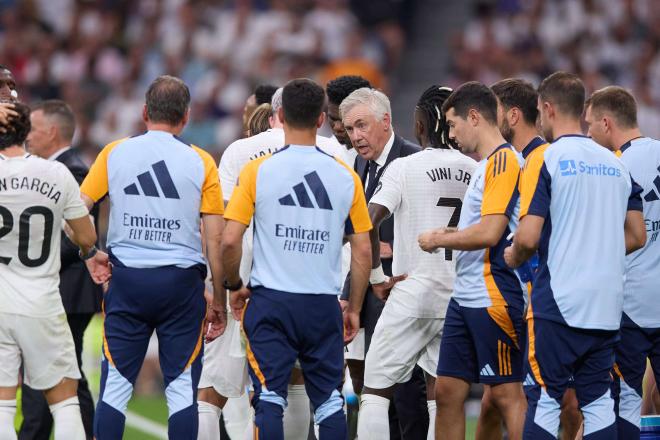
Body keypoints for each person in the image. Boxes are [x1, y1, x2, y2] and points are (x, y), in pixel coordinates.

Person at [221, 78, 372, 440]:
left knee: (270, 397)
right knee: (330, 401)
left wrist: (234, 286)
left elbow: (229, 241)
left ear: (280, 116)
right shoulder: (345, 175)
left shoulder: (258, 172)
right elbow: (363, 250)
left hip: (271, 301)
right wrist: (352, 307)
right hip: (321, 304)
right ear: (321, 119)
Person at [79, 75, 226, 440]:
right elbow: (215, 237)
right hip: (181, 284)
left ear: (144, 112)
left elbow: (77, 211)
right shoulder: (202, 161)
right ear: (186, 117)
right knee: (179, 392)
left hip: (127, 280)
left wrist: (90, 253)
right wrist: (217, 296)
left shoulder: (114, 152)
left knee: (114, 388)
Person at [504, 72, 646, 439]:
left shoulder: (548, 159)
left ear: (547, 109)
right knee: (598, 403)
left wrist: (513, 255)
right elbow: (637, 235)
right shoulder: (616, 164)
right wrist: (601, 249)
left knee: (547, 399)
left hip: (559, 304)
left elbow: (530, 236)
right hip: (606, 305)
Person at [357, 85, 477, 440]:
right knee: (441, 396)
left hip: (413, 292)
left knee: (375, 392)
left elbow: (368, 221)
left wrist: (378, 276)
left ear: (421, 127)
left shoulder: (403, 167)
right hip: (459, 297)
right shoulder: (477, 168)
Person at [417, 81, 527, 440]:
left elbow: (491, 232)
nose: (450, 134)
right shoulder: (487, 164)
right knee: (448, 390)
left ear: (474, 117)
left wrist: (439, 238)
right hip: (466, 296)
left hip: (492, 293)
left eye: (452, 124)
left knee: (507, 394)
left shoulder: (503, 162)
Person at [0, 102, 102, 440]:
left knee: (2, 403)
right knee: (64, 400)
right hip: (42, 299)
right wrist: (89, 252)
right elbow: (86, 236)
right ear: (25, 133)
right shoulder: (56, 174)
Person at [489, 78, 583, 440]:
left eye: (494, 110)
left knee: (566, 399)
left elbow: (536, 234)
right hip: (533, 295)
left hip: (551, 297)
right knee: (499, 398)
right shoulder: (518, 161)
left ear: (512, 115)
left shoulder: (542, 159)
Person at [340, 86, 429, 439]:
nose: (356, 136)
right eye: (350, 129)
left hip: (403, 290)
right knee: (370, 388)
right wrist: (351, 294)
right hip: (370, 290)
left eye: (361, 125)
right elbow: (361, 236)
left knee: (408, 393)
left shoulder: (413, 159)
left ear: (386, 121)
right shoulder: (361, 164)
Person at [585, 85, 660, 439]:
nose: (587, 134)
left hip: (627, 305)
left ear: (605, 122)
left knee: (626, 403)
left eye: (589, 126)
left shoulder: (611, 169)